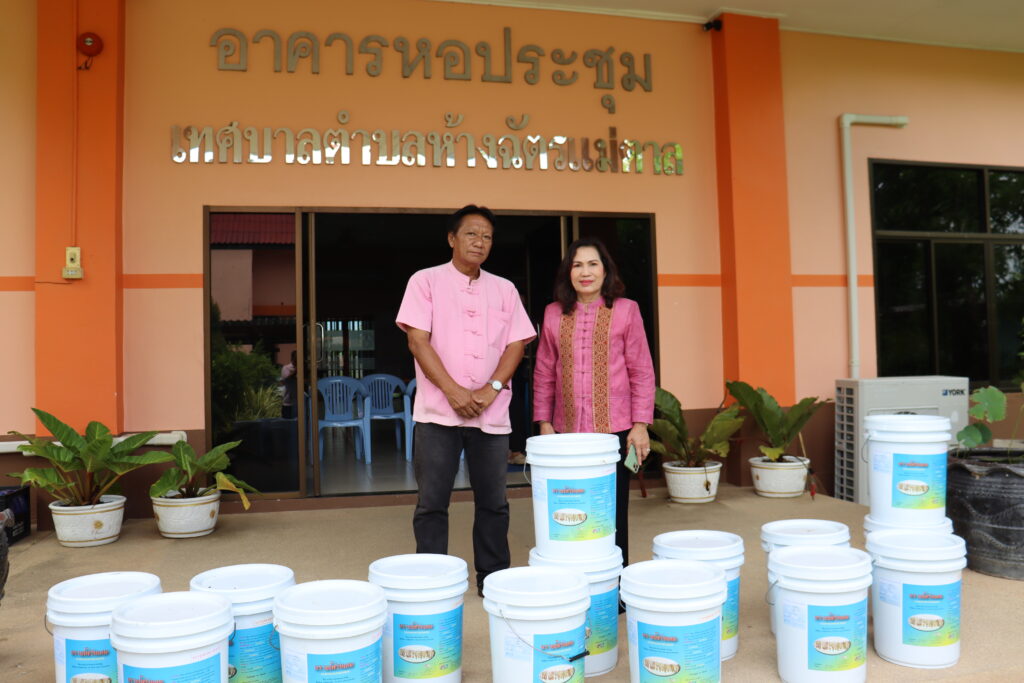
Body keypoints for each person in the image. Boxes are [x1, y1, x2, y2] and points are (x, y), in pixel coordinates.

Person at [396, 205, 535, 595]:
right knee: (432, 503)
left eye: (487, 236)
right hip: (437, 414)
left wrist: (491, 388)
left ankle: (492, 579)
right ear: (452, 238)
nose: (480, 242)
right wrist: (454, 392)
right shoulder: (425, 281)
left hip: (491, 413)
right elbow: (417, 341)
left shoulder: (504, 289)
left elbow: (516, 345)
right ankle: (432, 582)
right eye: (472, 234)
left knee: (494, 503)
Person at [532, 237, 655, 566]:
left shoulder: (626, 310)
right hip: (566, 431)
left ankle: (614, 580)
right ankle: (574, 575)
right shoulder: (553, 313)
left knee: (611, 509)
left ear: (605, 270)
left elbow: (641, 370)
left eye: (592, 264)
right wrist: (544, 423)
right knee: (570, 507)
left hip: (615, 430)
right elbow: (544, 371)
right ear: (568, 272)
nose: (585, 272)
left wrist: (640, 425)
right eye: (577, 265)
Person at [279, 350, 297, 419]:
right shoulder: (286, 368)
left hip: (299, 402)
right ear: (292, 358)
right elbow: (285, 379)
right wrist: (295, 372)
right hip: (288, 402)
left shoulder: (302, 369)